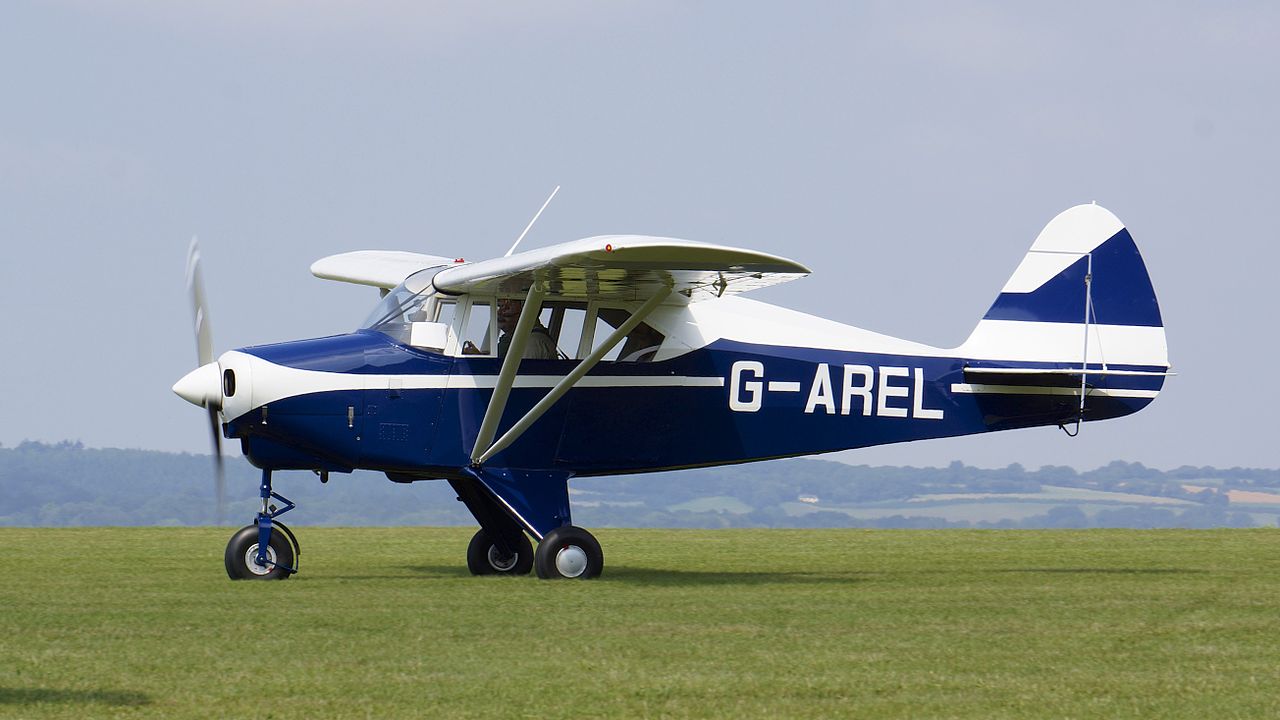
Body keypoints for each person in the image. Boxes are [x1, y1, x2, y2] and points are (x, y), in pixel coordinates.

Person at [462, 299, 559, 359]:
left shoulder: (533, 342)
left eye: (507, 307)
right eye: (500, 306)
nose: (500, 312)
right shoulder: (514, 339)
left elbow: (518, 379)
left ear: (526, 310)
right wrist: (480, 357)